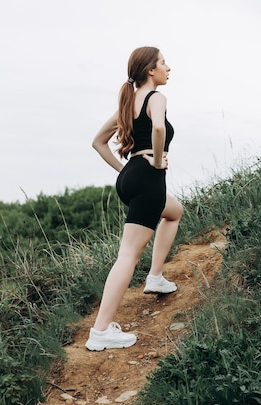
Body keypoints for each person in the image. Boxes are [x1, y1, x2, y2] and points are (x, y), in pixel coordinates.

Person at [85, 46, 183, 351]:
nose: (169, 67)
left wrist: (124, 171)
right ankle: (101, 331)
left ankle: (155, 277)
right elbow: (157, 127)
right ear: (151, 71)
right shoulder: (157, 98)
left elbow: (97, 142)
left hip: (130, 178)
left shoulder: (128, 102)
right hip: (147, 177)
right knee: (127, 255)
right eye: (164, 63)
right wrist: (155, 161)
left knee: (174, 210)